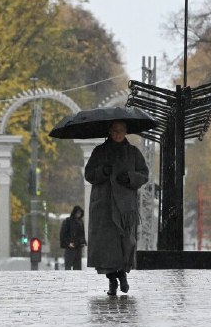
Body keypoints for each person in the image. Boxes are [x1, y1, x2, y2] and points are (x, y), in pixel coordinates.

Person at [84, 120, 148, 296]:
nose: (118, 134)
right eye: (114, 131)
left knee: (125, 243)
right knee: (106, 248)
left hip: (125, 208)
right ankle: (113, 279)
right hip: (103, 207)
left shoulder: (133, 153)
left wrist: (130, 178)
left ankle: (122, 274)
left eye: (121, 131)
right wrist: (102, 172)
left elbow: (144, 174)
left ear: (126, 132)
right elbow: (89, 174)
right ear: (110, 132)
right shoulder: (100, 152)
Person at [60, 205, 86, 270]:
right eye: (77, 213)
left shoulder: (80, 222)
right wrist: (68, 243)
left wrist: (83, 242)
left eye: (80, 213)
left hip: (78, 246)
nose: (79, 214)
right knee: (68, 266)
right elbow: (63, 234)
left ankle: (76, 278)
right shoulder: (68, 221)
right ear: (74, 213)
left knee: (77, 267)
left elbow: (82, 234)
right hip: (70, 247)